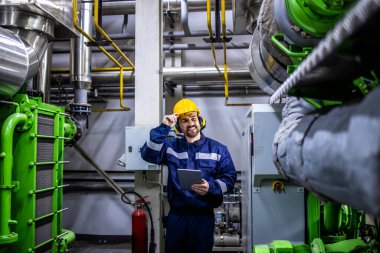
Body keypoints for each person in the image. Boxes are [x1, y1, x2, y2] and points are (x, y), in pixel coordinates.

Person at [140, 98, 237, 253]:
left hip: (203, 218)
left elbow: (229, 179)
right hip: (177, 217)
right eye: (185, 120)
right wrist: (164, 127)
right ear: (178, 126)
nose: (191, 123)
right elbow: (148, 155)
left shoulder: (218, 149)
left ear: (199, 120)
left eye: (193, 119)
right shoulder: (170, 147)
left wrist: (210, 187)